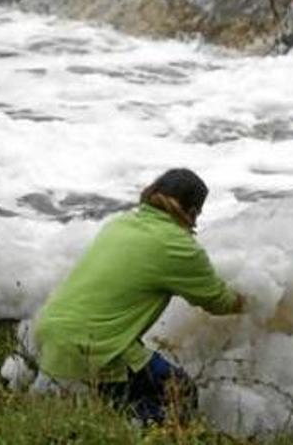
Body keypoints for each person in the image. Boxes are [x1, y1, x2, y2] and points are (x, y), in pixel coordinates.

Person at [34, 168, 244, 423]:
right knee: (179, 391)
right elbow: (220, 302)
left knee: (123, 391)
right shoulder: (177, 245)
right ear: (192, 213)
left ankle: (111, 420)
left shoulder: (120, 223)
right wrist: (259, 301)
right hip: (97, 348)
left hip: (48, 332)